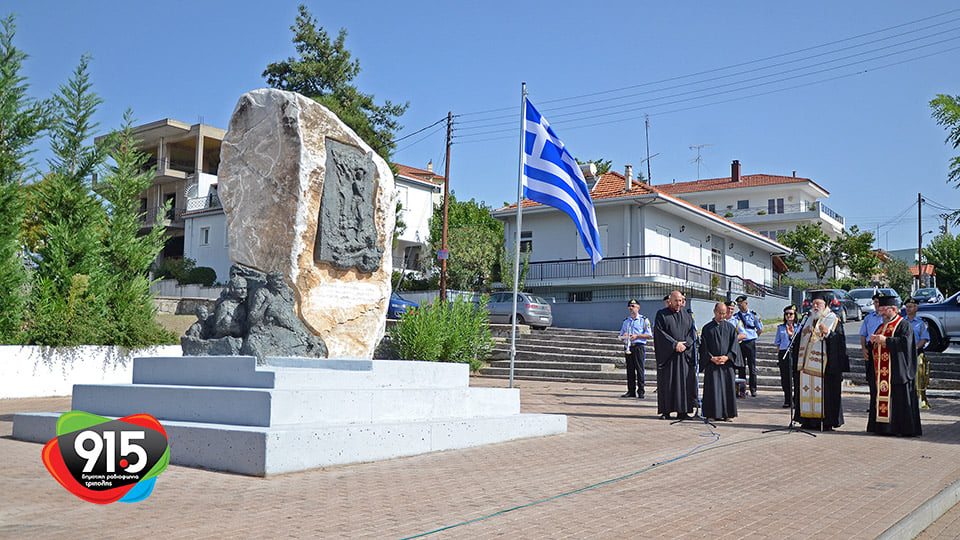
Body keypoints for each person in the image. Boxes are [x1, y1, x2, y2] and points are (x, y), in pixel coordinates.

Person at [867, 296, 923, 436]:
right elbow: (876, 346)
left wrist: (886, 340)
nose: (881, 314)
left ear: (892, 309)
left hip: (897, 371)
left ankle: (900, 428)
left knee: (899, 400)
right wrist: (872, 342)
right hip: (882, 372)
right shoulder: (881, 326)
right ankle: (883, 428)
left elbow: (906, 344)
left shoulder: (903, 325)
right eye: (880, 311)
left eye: (883, 311)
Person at [792, 295, 849, 430]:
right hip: (807, 367)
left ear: (826, 305)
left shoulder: (833, 320)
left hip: (826, 368)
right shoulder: (807, 320)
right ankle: (807, 420)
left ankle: (826, 422)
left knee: (826, 395)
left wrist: (828, 333)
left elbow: (840, 343)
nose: (815, 306)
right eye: (813, 304)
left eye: (818, 303)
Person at [653, 290, 697, 420]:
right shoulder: (662, 314)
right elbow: (659, 333)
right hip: (669, 357)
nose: (678, 303)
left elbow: (692, 334)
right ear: (670, 301)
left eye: (680, 300)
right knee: (668, 384)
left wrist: (685, 345)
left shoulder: (688, 315)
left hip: (684, 356)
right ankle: (666, 411)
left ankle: (683, 411)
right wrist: (674, 344)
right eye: (676, 300)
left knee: (684, 384)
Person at [699, 302, 740, 421]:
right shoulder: (707, 328)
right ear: (714, 312)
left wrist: (727, 357)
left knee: (728, 389)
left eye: (724, 313)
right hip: (712, 364)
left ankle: (728, 414)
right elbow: (703, 347)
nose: (722, 316)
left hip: (726, 364)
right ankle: (711, 414)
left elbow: (735, 346)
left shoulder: (730, 328)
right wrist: (711, 357)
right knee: (712, 389)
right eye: (720, 313)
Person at [619, 299, 653, 398]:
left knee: (639, 369)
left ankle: (641, 391)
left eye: (633, 306)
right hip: (629, 346)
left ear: (638, 307)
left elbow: (649, 334)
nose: (631, 308)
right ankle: (631, 391)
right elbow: (621, 335)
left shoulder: (644, 320)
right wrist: (624, 336)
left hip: (639, 346)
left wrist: (637, 336)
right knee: (630, 370)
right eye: (630, 306)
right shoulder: (626, 321)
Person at [903, 297, 932, 409]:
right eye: (907, 307)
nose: (908, 309)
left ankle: (919, 400)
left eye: (911, 307)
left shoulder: (921, 323)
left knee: (918, 378)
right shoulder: (902, 321)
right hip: (904, 353)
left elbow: (924, 339)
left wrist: (914, 348)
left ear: (916, 308)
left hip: (916, 353)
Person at [734, 295, 764, 397]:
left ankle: (753, 389)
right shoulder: (736, 316)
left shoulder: (753, 315)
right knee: (741, 367)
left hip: (750, 342)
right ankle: (742, 390)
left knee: (752, 367)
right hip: (741, 343)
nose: (740, 307)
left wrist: (754, 337)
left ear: (746, 303)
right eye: (738, 305)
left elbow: (760, 328)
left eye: (741, 304)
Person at [859, 292, 884, 405]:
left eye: (878, 302)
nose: (876, 305)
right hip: (871, 349)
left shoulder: (886, 317)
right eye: (874, 302)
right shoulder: (869, 318)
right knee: (871, 378)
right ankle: (873, 403)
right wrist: (864, 349)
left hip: (883, 350)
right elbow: (863, 334)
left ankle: (883, 401)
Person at [773, 305, 800, 408]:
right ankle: (787, 399)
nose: (788, 316)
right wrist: (780, 355)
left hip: (795, 353)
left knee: (796, 378)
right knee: (785, 378)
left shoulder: (799, 327)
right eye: (786, 314)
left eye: (791, 314)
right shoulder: (781, 328)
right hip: (784, 352)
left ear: (795, 315)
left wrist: (791, 335)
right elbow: (778, 343)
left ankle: (796, 399)